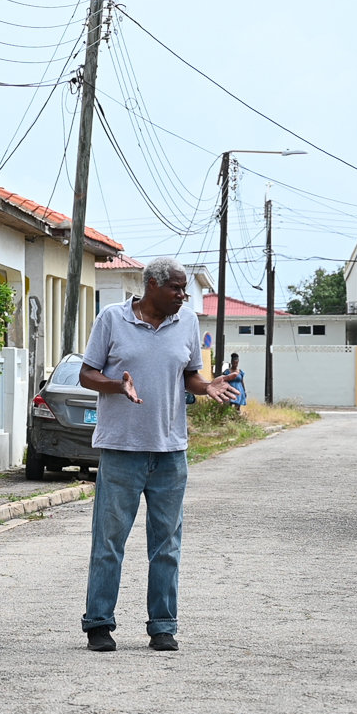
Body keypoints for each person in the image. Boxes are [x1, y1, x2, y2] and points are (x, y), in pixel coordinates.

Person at [78, 256, 236, 653]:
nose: (183, 296)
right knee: (109, 541)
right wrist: (117, 386)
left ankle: (162, 626)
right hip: (121, 449)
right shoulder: (112, 319)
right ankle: (99, 623)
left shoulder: (187, 322)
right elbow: (86, 374)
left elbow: (190, 375)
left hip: (170, 452)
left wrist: (207, 386)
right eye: (177, 289)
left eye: (184, 289)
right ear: (152, 285)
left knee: (167, 543)